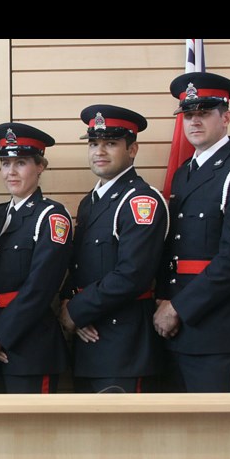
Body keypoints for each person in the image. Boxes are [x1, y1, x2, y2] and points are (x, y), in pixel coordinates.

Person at [153, 72, 230, 392]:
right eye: (188, 115)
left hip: (219, 330)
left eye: (204, 113)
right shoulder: (184, 175)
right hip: (176, 330)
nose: (194, 121)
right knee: (178, 438)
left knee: (223, 435)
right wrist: (164, 300)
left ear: (226, 117)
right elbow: (173, 249)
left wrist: (177, 307)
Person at [58, 105, 167, 393]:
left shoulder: (140, 200)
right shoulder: (89, 202)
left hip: (125, 345)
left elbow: (133, 275)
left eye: (110, 143)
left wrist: (77, 311)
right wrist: (70, 302)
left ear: (132, 149)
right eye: (94, 144)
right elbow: (78, 265)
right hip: (87, 341)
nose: (99, 152)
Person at [0, 122, 72, 393]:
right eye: (5, 163)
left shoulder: (51, 216)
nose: (11, 172)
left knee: (34, 434)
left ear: (40, 166)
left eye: (21, 163)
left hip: (30, 348)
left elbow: (40, 288)